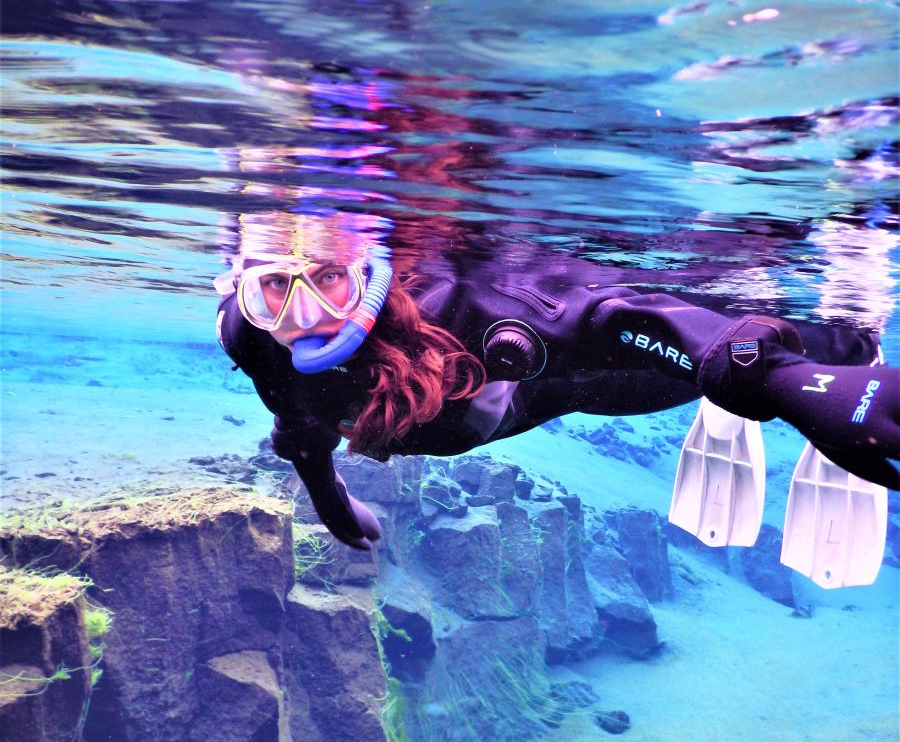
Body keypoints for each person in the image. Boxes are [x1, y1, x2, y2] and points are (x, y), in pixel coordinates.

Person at [215, 233, 899, 566]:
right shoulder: (252, 334)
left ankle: (847, 344)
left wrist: (782, 380)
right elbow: (297, 417)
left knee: (722, 321)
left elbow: (621, 320)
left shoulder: (477, 314)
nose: (302, 313)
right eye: (274, 287)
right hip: (488, 412)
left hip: (579, 382)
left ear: (367, 265)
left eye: (329, 277)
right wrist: (328, 494)